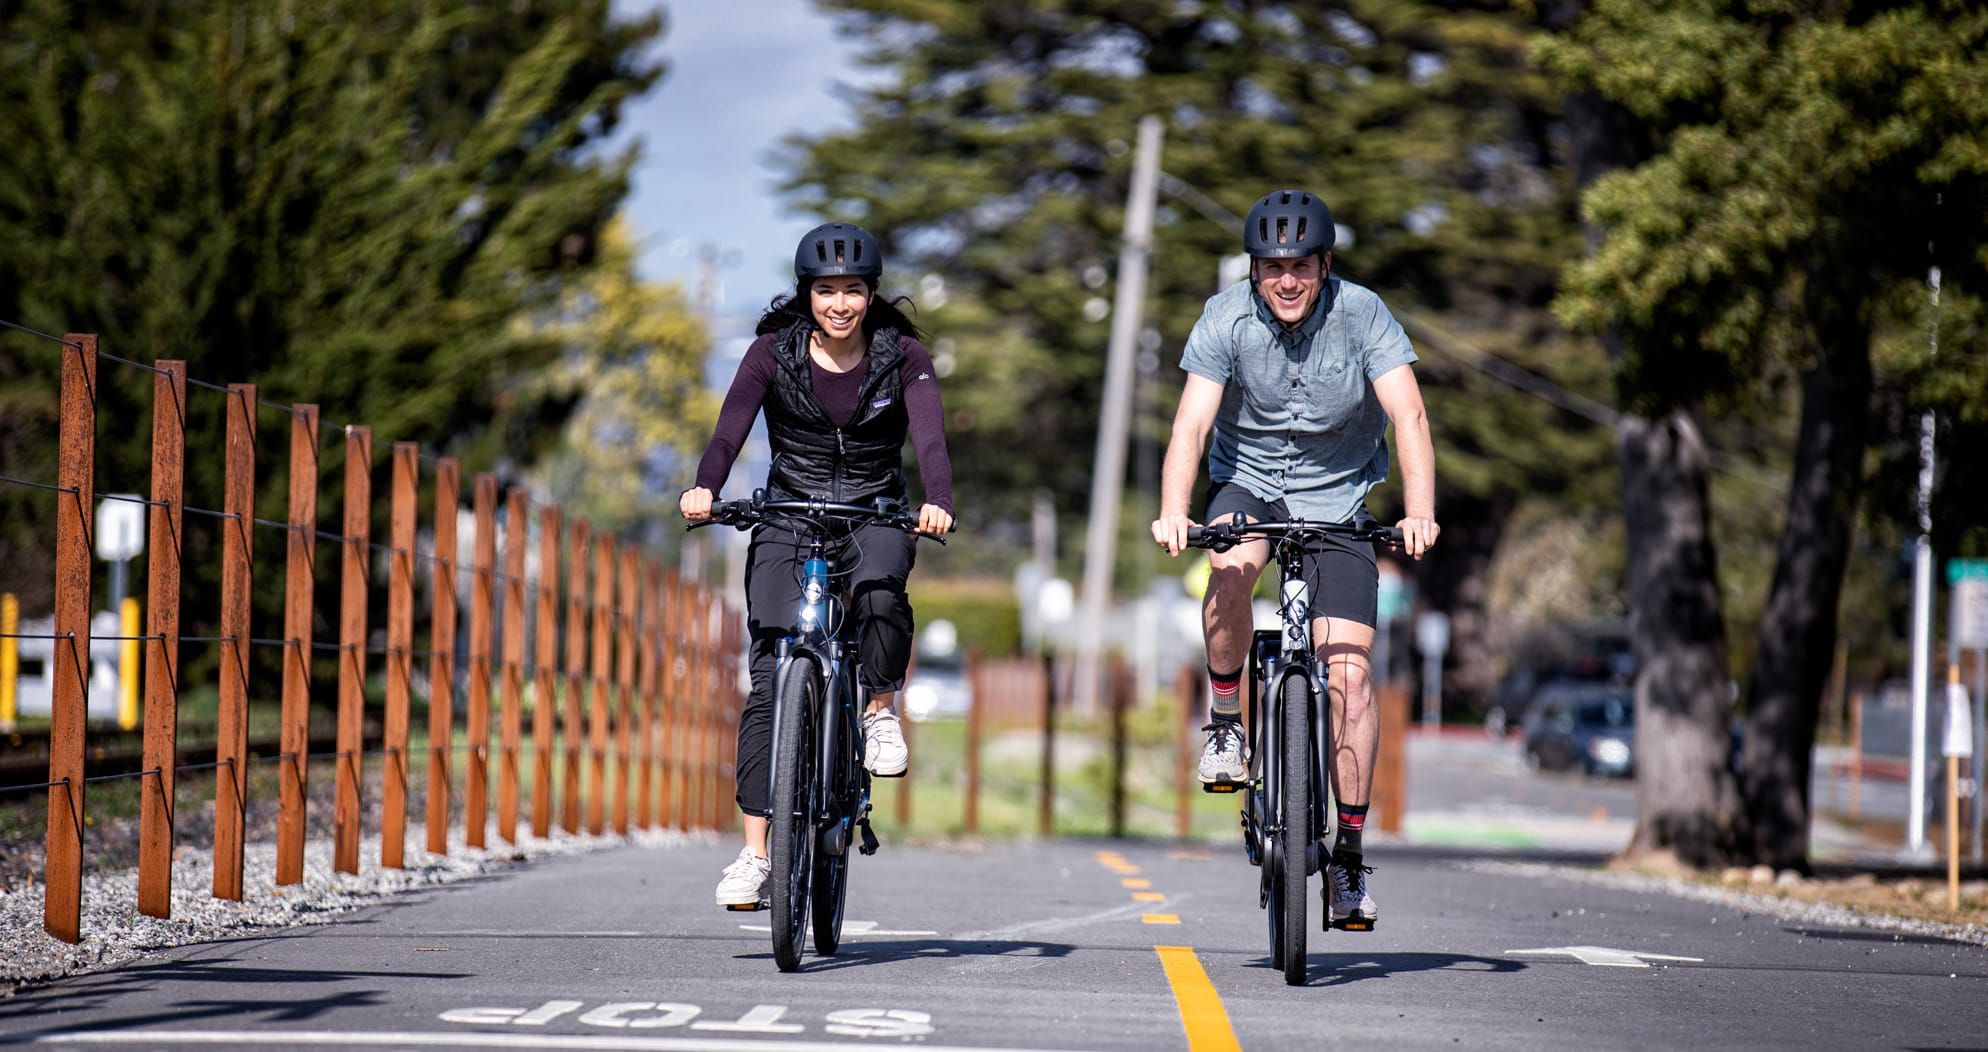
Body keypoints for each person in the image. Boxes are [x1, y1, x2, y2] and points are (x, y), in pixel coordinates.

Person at [1150, 189, 1437, 932]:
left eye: (1300, 267)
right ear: (1252, 269)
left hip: (1339, 500)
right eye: (1271, 267)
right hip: (1248, 481)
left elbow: (1408, 413)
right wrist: (1175, 509)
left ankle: (1346, 859)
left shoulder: (1364, 314)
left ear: (1324, 265)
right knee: (1229, 567)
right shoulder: (1225, 318)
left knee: (1348, 676)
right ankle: (1224, 719)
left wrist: (1419, 510)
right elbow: (1190, 424)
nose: (1285, 281)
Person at [681, 222, 955, 909]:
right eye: (827, 291)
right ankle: (754, 854)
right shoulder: (770, 354)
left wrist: (938, 501)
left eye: (853, 291)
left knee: (881, 595)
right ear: (807, 294)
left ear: (871, 295)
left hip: (876, 509)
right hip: (790, 509)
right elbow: (728, 430)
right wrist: (705, 488)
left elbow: (930, 440)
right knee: (771, 674)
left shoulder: (906, 358)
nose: (840, 304)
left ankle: (879, 712)